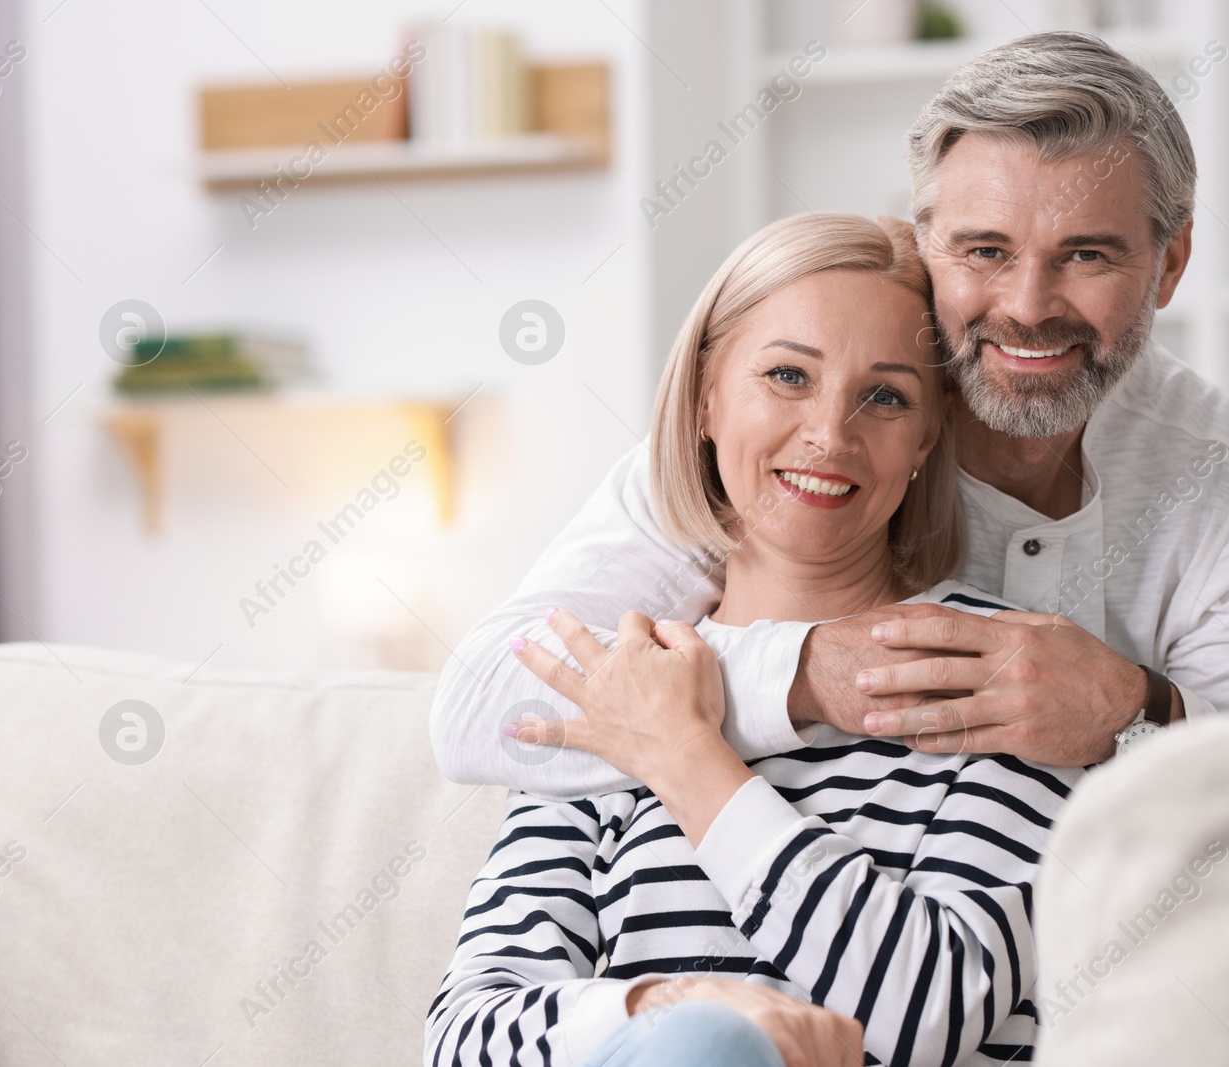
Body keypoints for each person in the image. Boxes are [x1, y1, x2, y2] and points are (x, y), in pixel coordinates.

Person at [429, 32, 1229, 797]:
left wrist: (1129, 714)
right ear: (924, 235)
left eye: (1087, 255)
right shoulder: (791, 445)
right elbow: (479, 708)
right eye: (984, 249)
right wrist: (811, 673)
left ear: (1170, 263)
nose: (1026, 304)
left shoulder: (1227, 475)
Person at [424, 214, 1081, 1066]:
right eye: (787, 375)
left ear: (926, 437)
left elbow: (929, 1008)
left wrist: (685, 757)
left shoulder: (1006, 672)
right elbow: (463, 1036)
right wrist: (671, 1004)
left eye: (884, 396)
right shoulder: (622, 676)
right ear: (704, 396)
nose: (830, 434)